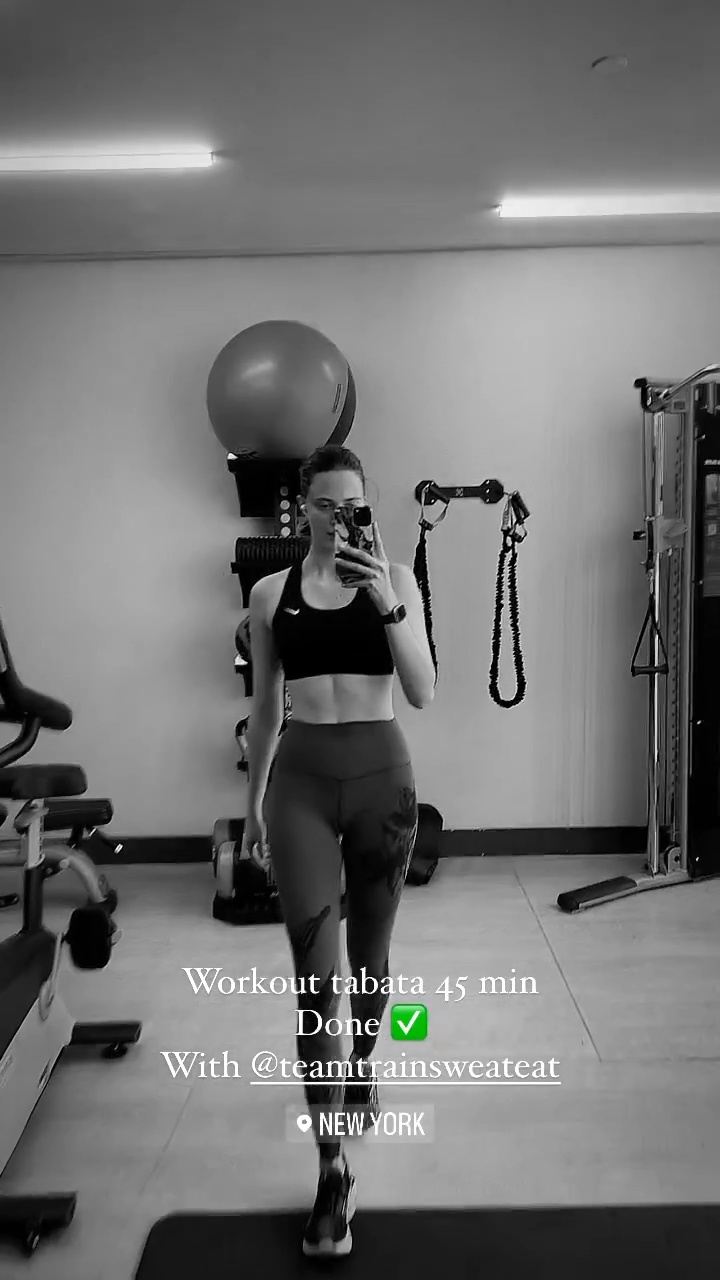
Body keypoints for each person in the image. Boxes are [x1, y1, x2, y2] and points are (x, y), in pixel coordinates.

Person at [244, 444, 436, 1257]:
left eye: (352, 505)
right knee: (317, 978)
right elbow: (265, 710)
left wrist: (388, 603)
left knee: (371, 959)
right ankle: (332, 1169)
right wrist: (251, 805)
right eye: (324, 504)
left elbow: (424, 690)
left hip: (383, 785)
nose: (338, 518)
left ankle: (362, 1062)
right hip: (300, 786)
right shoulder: (269, 594)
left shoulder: (396, 579)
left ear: (367, 507)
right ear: (304, 508)